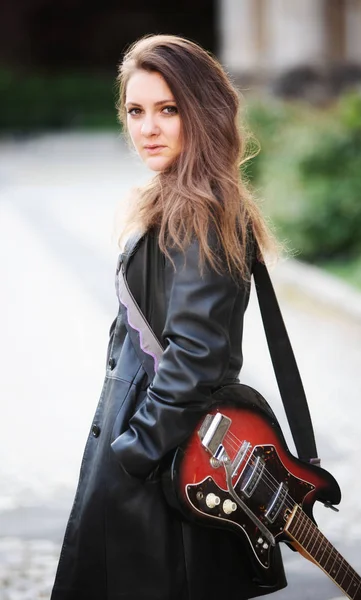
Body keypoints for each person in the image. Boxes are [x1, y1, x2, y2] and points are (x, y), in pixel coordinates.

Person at [51, 34, 287, 600]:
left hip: (164, 464)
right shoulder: (177, 200)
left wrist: (131, 454)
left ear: (202, 113)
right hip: (159, 454)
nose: (147, 128)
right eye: (136, 111)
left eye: (168, 109)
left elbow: (195, 358)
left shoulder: (201, 213)